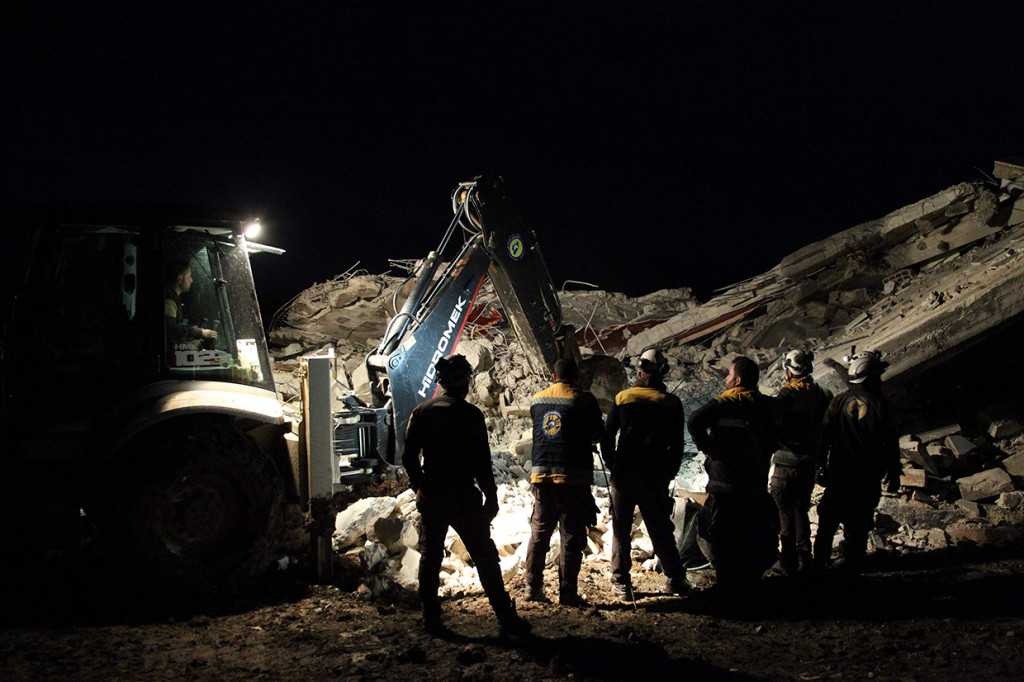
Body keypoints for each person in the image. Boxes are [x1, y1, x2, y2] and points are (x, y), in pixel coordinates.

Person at [402, 354, 530, 637]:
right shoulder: (471, 415)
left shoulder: (421, 411)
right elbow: (481, 462)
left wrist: (421, 487)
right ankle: (506, 618)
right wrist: (491, 497)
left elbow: (409, 457)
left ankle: (431, 619)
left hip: (434, 495)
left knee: (430, 558)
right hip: (463, 497)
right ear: (466, 381)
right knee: (484, 556)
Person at [601, 348, 692, 601]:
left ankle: (620, 581)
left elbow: (606, 437)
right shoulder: (671, 403)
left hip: (624, 475)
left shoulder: (622, 398)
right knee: (660, 528)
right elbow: (677, 446)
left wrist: (613, 465)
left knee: (621, 529)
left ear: (639, 372)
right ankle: (676, 578)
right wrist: (668, 474)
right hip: (654, 476)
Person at [687, 355, 779, 591]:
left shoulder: (724, 403)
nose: (726, 378)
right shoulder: (767, 405)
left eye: (728, 374)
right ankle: (751, 584)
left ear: (737, 380)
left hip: (725, 484)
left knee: (724, 537)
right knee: (752, 535)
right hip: (754, 485)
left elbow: (694, 419)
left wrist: (707, 447)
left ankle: (728, 586)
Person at [523, 357, 604, 606]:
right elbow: (598, 433)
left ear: (553, 375)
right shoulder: (584, 399)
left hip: (542, 476)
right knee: (571, 535)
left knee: (540, 532)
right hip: (572, 477)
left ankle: (531, 587)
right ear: (576, 375)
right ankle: (568, 593)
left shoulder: (537, 399)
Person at [813, 350, 901, 573]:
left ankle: (818, 564)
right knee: (859, 523)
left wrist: (820, 464)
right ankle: (852, 566)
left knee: (827, 522)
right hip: (866, 475)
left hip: (840, 473)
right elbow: (890, 440)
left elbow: (823, 435)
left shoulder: (839, 401)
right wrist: (894, 470)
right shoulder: (879, 403)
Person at [768, 350, 832, 577]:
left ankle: (787, 561)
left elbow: (772, 427)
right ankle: (806, 559)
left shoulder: (786, 396)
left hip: (786, 462)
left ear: (788, 369)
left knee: (784, 513)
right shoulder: (824, 394)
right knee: (801, 511)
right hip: (810, 463)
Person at [164, 260, 218, 347]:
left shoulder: (173, 298)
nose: (191, 280)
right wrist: (200, 332)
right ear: (180, 279)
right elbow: (170, 331)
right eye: (189, 276)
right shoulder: (169, 301)